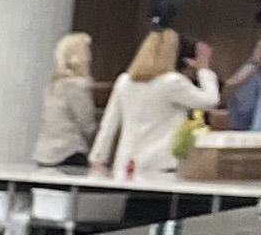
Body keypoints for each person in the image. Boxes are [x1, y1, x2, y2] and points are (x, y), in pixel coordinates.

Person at [90, 25, 218, 179]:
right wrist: (204, 69)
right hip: (162, 165)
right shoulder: (173, 82)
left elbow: (109, 124)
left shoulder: (125, 81)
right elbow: (210, 100)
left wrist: (98, 158)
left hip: (126, 163)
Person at [29, 31, 101, 168]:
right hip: (69, 151)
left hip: (44, 153)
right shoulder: (77, 86)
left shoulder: (53, 85)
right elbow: (87, 125)